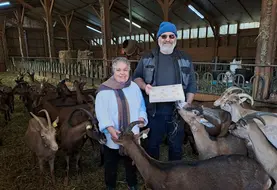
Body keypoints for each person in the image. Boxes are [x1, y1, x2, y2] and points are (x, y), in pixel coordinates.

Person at [133, 21, 197, 161]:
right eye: (164, 36)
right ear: (158, 39)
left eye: (171, 36)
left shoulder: (185, 58)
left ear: (175, 39)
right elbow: (136, 77)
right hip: (154, 112)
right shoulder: (147, 57)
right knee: (152, 145)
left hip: (177, 112)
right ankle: (154, 177)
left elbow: (192, 83)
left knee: (176, 147)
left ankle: (175, 177)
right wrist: (145, 87)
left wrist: (187, 103)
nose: (167, 39)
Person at [95, 57, 148, 190]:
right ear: (113, 71)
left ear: (130, 71)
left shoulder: (134, 87)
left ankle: (132, 183)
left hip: (132, 135)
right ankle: (110, 185)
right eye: (118, 70)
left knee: (131, 161)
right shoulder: (104, 90)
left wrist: (142, 118)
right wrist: (109, 128)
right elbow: (101, 113)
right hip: (114, 135)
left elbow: (141, 106)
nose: (122, 73)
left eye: (125, 70)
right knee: (110, 162)